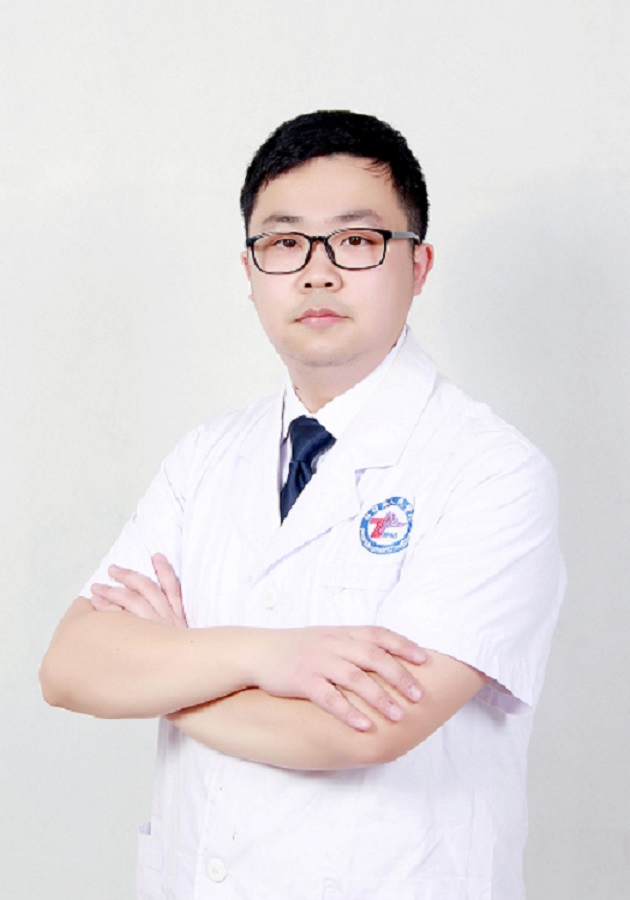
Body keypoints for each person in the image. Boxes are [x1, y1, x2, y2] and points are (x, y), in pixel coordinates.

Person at [40, 110, 565, 899]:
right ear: (250, 271)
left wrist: (167, 676)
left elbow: (364, 729)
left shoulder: (491, 470)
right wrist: (266, 657)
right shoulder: (205, 458)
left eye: (355, 240)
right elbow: (71, 668)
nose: (317, 273)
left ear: (418, 264)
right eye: (285, 244)